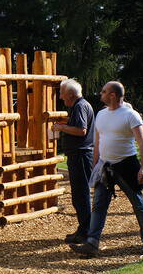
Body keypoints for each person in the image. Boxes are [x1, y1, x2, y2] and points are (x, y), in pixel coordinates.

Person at [70, 81, 143, 257]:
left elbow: (142, 142)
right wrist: (95, 166)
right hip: (104, 166)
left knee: (138, 204)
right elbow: (98, 142)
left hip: (127, 165)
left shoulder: (131, 115)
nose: (100, 94)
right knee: (99, 205)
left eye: (103, 91)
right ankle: (92, 244)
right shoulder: (100, 114)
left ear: (112, 95)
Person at [51, 79, 95, 244]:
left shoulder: (79, 106)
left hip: (81, 155)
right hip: (79, 155)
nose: (61, 97)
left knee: (81, 195)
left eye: (62, 93)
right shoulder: (80, 106)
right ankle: (84, 229)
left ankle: (86, 232)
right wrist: (66, 123)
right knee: (79, 195)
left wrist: (61, 128)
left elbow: (81, 130)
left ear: (70, 94)